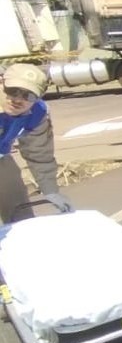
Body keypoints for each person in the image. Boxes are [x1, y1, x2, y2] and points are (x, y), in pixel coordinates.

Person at [0, 63, 72, 223]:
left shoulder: (38, 114)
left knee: (18, 210)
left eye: (29, 95)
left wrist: (51, 191)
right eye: (13, 91)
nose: (18, 99)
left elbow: (39, 154)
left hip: (1, 156)